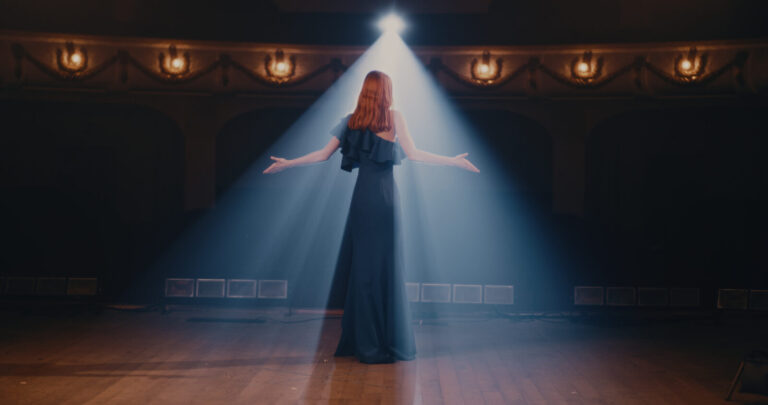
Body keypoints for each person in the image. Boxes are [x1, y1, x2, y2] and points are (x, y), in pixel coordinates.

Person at [263, 70, 479, 363]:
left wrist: (288, 164)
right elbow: (414, 154)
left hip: (362, 200)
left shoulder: (352, 120)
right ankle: (387, 341)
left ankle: (365, 342)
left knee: (364, 270)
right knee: (387, 269)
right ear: (386, 91)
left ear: (364, 91)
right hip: (386, 199)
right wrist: (452, 162)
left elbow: (321, 155)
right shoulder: (394, 117)